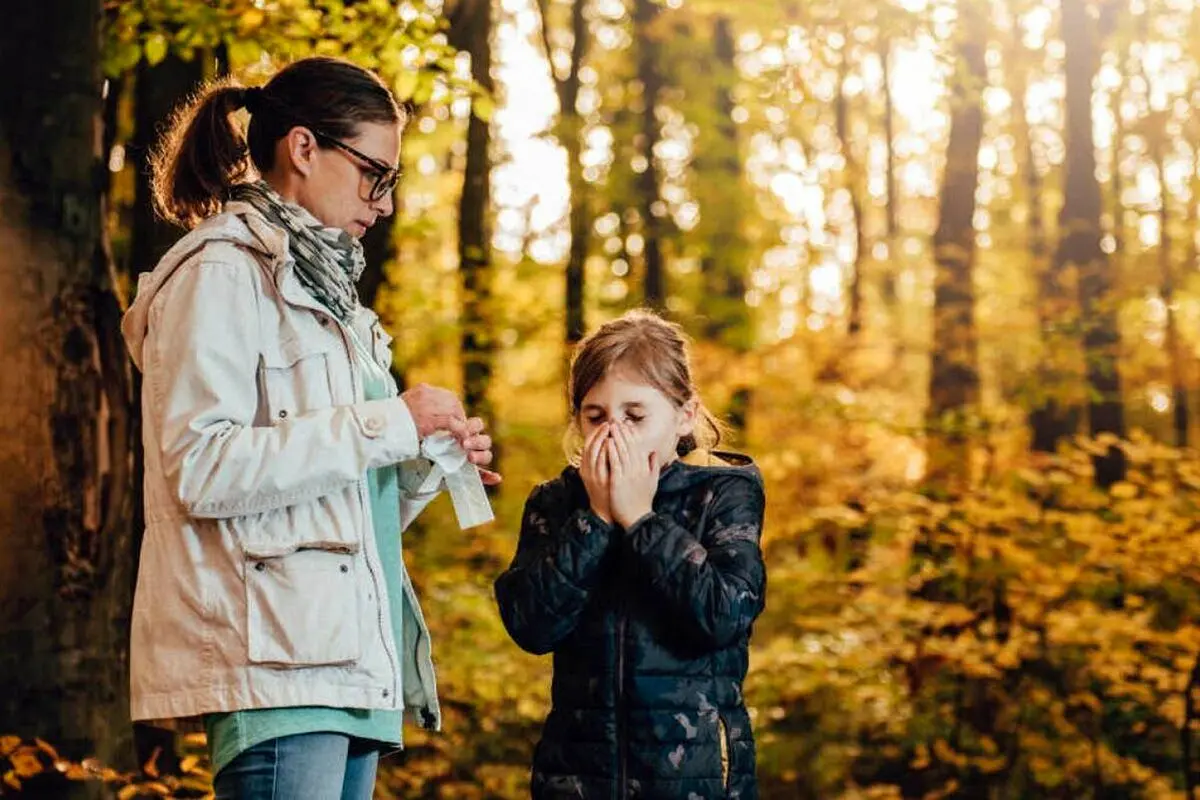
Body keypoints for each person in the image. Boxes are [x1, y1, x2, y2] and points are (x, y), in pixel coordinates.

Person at [119, 56, 499, 800]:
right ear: (302, 148)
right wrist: (389, 421)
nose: (383, 203)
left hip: (347, 656)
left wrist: (421, 457)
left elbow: (343, 497)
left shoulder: (334, 297)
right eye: (374, 174)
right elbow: (201, 468)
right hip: (279, 668)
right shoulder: (222, 273)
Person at [494, 310, 767, 799]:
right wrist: (596, 519)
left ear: (683, 416)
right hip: (577, 777)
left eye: (635, 416)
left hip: (695, 778)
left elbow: (724, 615)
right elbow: (531, 625)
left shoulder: (724, 494)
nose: (612, 433)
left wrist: (642, 520)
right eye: (596, 416)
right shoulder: (556, 504)